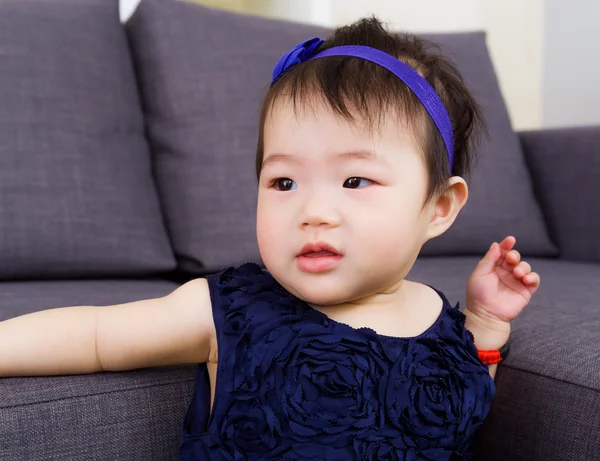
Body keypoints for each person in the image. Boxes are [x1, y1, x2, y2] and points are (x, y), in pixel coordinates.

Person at [0, 17, 540, 461]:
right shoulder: (232, 309)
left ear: (438, 207)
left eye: (355, 180)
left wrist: (486, 323)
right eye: (284, 181)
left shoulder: (441, 321)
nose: (313, 211)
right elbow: (97, 336)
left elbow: (463, 403)